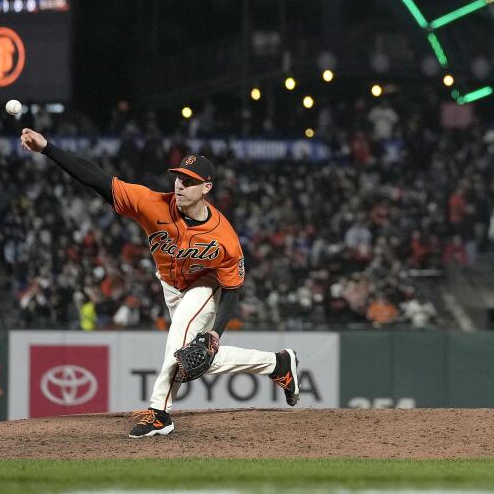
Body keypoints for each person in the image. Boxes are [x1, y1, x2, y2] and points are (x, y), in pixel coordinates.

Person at [19, 129, 301, 438]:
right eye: (179, 178)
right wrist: (48, 148)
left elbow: (232, 288)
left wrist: (216, 332)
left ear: (206, 187)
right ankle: (277, 364)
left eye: (190, 181)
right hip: (170, 286)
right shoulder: (151, 203)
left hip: (205, 287)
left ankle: (159, 413)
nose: (180, 185)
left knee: (181, 338)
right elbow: (96, 179)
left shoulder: (225, 238)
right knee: (191, 357)